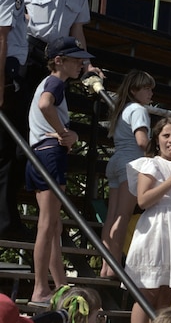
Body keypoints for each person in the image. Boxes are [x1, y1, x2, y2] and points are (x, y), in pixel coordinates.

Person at [26, 37, 93, 303]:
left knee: (52, 224)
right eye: (75, 59)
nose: (80, 63)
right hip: (50, 154)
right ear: (59, 61)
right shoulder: (55, 82)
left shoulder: (52, 83)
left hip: (38, 154)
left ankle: (59, 283)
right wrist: (65, 133)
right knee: (47, 224)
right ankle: (41, 287)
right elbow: (45, 104)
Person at [125, 116, 171, 323]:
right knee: (148, 293)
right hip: (157, 230)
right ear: (157, 139)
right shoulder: (150, 164)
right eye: (166, 135)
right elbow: (143, 200)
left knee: (167, 293)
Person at [0, 0, 43, 239]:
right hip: (7, 75)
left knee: (11, 152)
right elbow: (1, 38)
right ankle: (5, 220)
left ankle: (7, 218)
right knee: (8, 153)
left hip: (10, 73)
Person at [99, 69, 156, 279]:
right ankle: (113, 266)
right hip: (131, 165)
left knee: (111, 216)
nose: (151, 93)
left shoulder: (121, 110)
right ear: (134, 90)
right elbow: (142, 141)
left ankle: (106, 265)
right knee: (122, 217)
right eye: (147, 88)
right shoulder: (138, 110)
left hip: (115, 162)